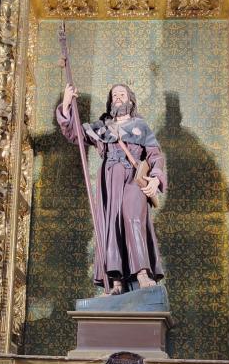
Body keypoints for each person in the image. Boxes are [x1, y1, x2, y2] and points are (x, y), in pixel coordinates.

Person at [57, 83, 166, 295]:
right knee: (111, 223)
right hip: (109, 180)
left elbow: (155, 155)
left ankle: (142, 272)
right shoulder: (101, 128)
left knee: (132, 215)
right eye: (114, 95)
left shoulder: (140, 126)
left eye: (122, 94)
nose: (118, 97)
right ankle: (116, 281)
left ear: (130, 100)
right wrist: (67, 102)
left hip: (134, 178)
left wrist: (154, 179)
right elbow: (75, 134)